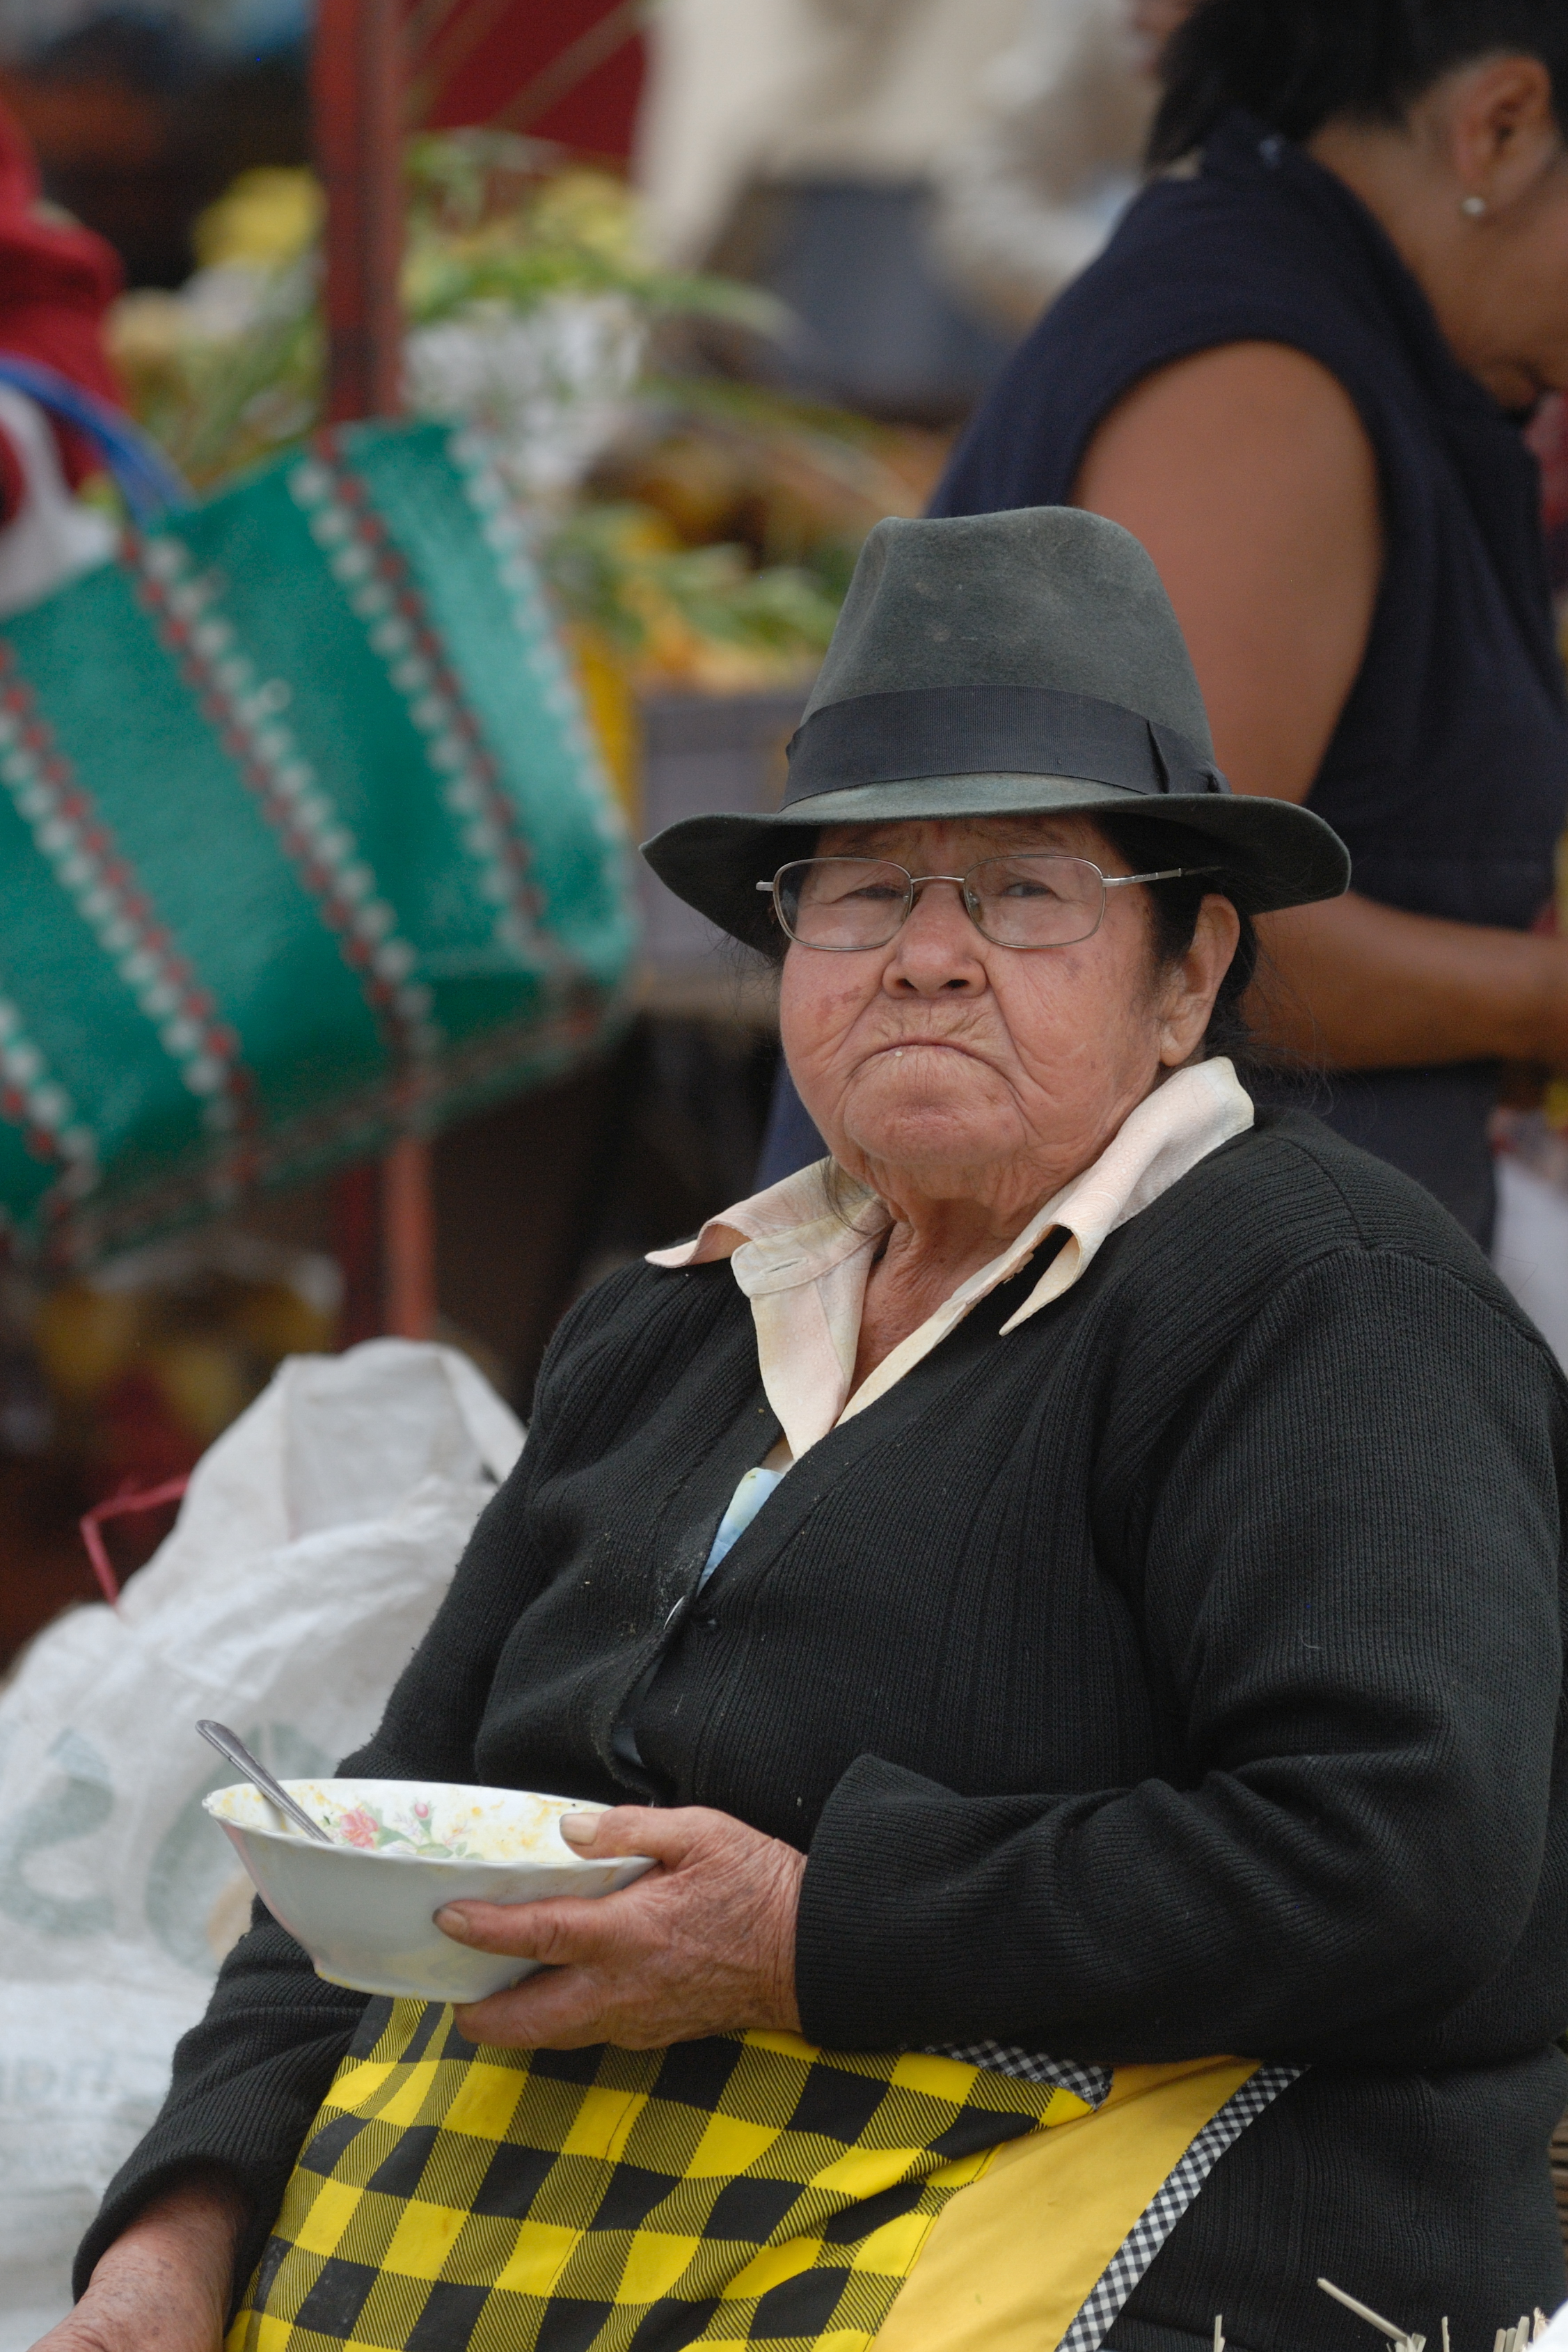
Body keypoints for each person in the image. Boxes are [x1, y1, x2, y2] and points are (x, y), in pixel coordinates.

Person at [45, 509, 1568, 2352]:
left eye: (1024, 890)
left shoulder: (1323, 1301)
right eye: (861, 892)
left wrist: (803, 1931)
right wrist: (170, 2245)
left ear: (1187, 971)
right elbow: (364, 1836)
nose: (927, 957)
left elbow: (1398, 1860)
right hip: (531, 2235)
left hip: (1114, 2217)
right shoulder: (668, 1323)